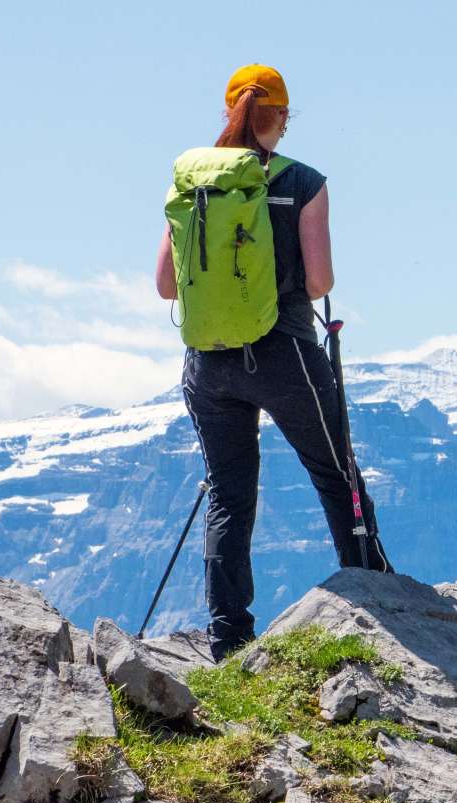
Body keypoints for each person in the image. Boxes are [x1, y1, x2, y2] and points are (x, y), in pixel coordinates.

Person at [155, 63, 388, 658]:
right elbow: (318, 282)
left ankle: (227, 637)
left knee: (229, 496)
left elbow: (164, 286)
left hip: (208, 364)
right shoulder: (303, 180)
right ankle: (381, 600)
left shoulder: (192, 183)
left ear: (227, 112)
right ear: (280, 117)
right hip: (284, 355)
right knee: (337, 476)